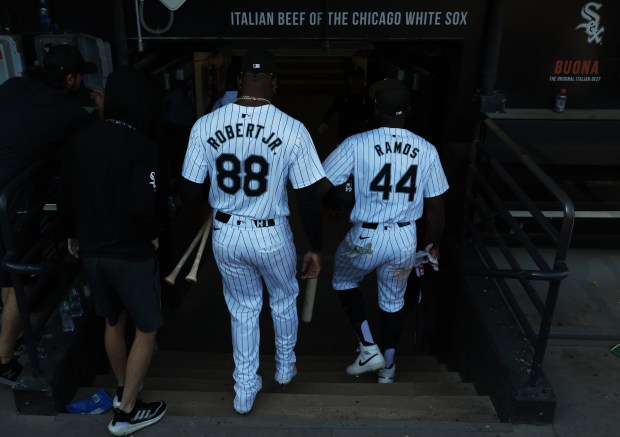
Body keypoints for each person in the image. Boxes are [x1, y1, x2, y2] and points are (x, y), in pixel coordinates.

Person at [179, 48, 325, 414]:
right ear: (274, 84)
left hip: (226, 234)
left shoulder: (205, 124)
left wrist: (220, 193)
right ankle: (284, 365)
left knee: (243, 309)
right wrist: (315, 246)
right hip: (272, 234)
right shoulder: (293, 128)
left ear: (239, 81)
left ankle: (244, 389)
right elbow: (308, 198)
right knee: (283, 297)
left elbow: (189, 191)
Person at [60, 66, 166, 436]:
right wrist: (152, 235)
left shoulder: (81, 140)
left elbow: (65, 195)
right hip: (130, 254)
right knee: (148, 327)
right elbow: (143, 204)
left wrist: (73, 233)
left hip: (91, 252)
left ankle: (124, 389)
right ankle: (127, 412)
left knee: (111, 321)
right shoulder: (141, 145)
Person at [320, 78, 448, 383]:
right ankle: (388, 368)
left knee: (343, 280)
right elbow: (437, 208)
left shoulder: (356, 143)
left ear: (376, 110)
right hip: (405, 237)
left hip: (365, 236)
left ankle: (368, 347)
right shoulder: (427, 150)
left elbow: (320, 185)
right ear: (409, 111)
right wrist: (435, 245)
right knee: (394, 302)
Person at [0, 44, 101, 386]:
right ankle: (4, 358)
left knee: (9, 275)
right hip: (12, 204)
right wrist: (99, 109)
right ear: (71, 78)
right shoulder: (69, 113)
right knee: (23, 282)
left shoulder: (13, 86)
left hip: (4, 198)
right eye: (80, 76)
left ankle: (12, 337)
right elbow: (89, 142)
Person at [318, 66, 374, 146]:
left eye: (357, 77)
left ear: (363, 79)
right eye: (352, 77)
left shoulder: (368, 95)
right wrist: (324, 122)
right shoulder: (342, 95)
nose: (355, 80)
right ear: (348, 79)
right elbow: (331, 110)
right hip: (344, 135)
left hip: (363, 136)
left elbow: (373, 115)